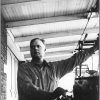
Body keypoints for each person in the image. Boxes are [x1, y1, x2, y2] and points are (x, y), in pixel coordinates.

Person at [17, 37, 99, 100]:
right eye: (32, 47)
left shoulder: (54, 68)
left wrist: (94, 48)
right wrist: (51, 95)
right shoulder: (24, 68)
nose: (35, 48)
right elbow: (28, 89)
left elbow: (74, 60)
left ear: (45, 49)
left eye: (38, 46)